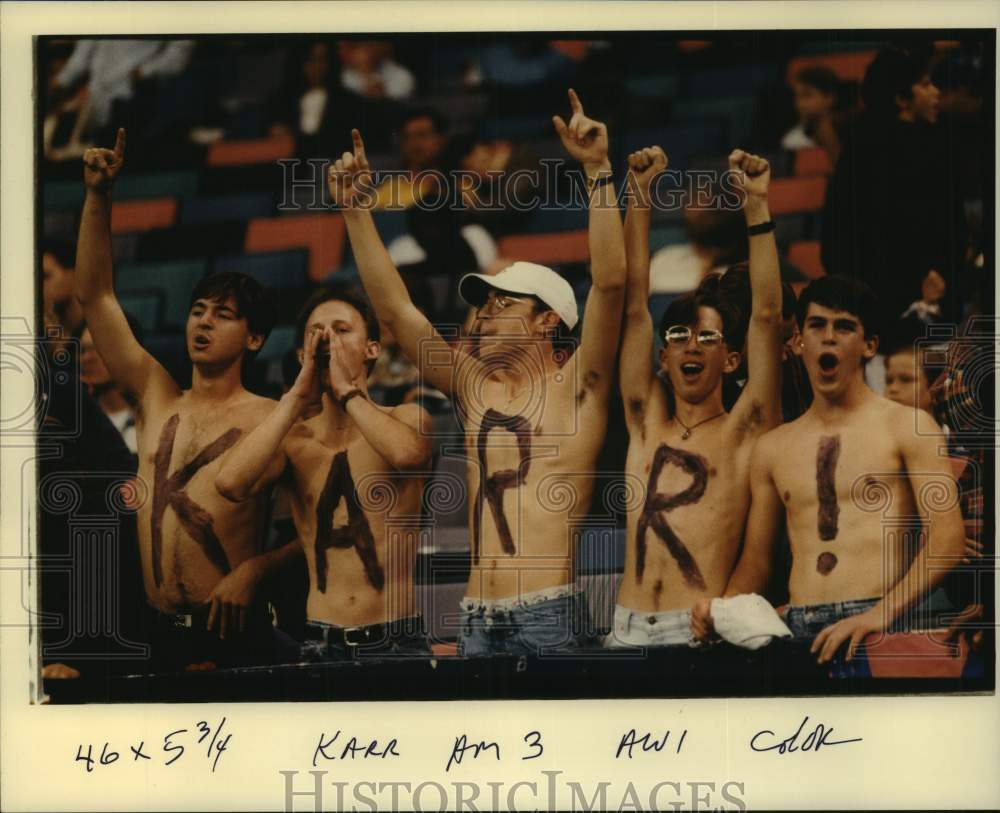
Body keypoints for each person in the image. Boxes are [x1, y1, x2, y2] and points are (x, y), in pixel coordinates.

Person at [329, 88, 626, 656]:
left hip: (546, 612)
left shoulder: (578, 385)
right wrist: (354, 210)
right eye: (484, 302)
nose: (485, 313)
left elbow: (610, 283)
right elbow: (395, 311)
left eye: (503, 304)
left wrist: (597, 169)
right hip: (474, 618)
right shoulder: (475, 385)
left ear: (547, 323)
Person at [74, 129, 300, 671]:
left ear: (254, 339)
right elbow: (96, 297)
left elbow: (317, 533)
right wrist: (99, 196)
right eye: (199, 309)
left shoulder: (273, 419)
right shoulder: (157, 395)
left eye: (223, 315)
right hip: (154, 632)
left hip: (234, 632)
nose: (203, 321)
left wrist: (257, 569)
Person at [691, 276, 966, 665]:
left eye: (844, 326)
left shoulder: (908, 427)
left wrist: (879, 615)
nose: (829, 337)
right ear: (799, 341)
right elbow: (757, 562)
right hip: (799, 626)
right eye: (817, 325)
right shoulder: (772, 448)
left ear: (869, 345)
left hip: (879, 623)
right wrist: (720, 610)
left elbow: (947, 542)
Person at [608, 146, 784, 649]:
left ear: (731, 360)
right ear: (663, 358)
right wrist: (639, 195)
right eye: (680, 337)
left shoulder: (742, 430)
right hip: (626, 628)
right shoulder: (645, 423)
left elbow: (767, 317)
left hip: (697, 628)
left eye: (707, 338)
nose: (690, 346)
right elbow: (634, 307)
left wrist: (756, 205)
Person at [215, 289, 434, 660]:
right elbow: (230, 483)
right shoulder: (295, 440)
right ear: (303, 354)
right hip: (321, 640)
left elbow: (408, 454)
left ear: (372, 349)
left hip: (395, 638)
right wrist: (295, 399)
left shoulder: (406, 417)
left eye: (342, 330)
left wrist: (348, 391)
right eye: (317, 333)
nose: (328, 340)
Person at [821, 44, 966, 322]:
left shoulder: (936, 147)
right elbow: (843, 242)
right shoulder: (872, 154)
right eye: (925, 85)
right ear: (902, 97)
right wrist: (923, 280)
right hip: (889, 307)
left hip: (915, 302)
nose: (936, 92)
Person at [79, 315, 144, 455]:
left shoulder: (150, 420)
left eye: (98, 348)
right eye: (83, 350)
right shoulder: (78, 419)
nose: (86, 358)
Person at [781, 66, 843, 163]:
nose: (800, 104)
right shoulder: (791, 141)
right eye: (797, 97)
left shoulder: (852, 135)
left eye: (807, 95)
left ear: (829, 97)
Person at [42, 240, 85, 341]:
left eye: (46, 276)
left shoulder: (103, 328)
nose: (40, 286)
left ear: (74, 275)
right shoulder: (47, 332)